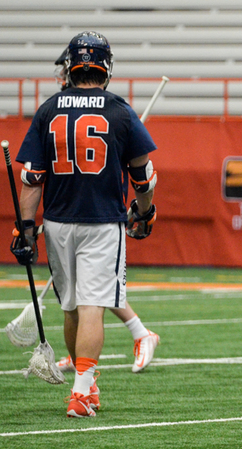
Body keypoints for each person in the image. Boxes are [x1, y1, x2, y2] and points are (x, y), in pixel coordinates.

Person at [11, 31, 158, 417]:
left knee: (71, 307)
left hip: (58, 221)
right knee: (93, 306)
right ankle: (80, 393)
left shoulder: (48, 109)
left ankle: (88, 387)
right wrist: (145, 211)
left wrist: (25, 228)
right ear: (106, 67)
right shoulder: (120, 110)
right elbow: (142, 177)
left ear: (71, 66)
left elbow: (32, 179)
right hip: (102, 221)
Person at [49, 49, 161, 374]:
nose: (60, 76)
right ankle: (85, 355)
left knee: (92, 291)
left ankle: (134, 337)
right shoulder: (62, 106)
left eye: (63, 69)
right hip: (69, 211)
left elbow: (141, 170)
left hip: (93, 212)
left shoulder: (85, 108)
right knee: (85, 292)